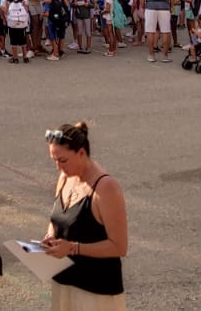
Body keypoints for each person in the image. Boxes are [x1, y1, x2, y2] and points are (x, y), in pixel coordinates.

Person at [41, 122, 127, 309]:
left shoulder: (106, 188)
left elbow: (119, 246)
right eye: (54, 160)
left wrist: (73, 248)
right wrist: (50, 236)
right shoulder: (65, 177)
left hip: (95, 293)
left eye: (63, 160)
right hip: (63, 284)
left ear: (81, 153)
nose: (58, 167)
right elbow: (57, 220)